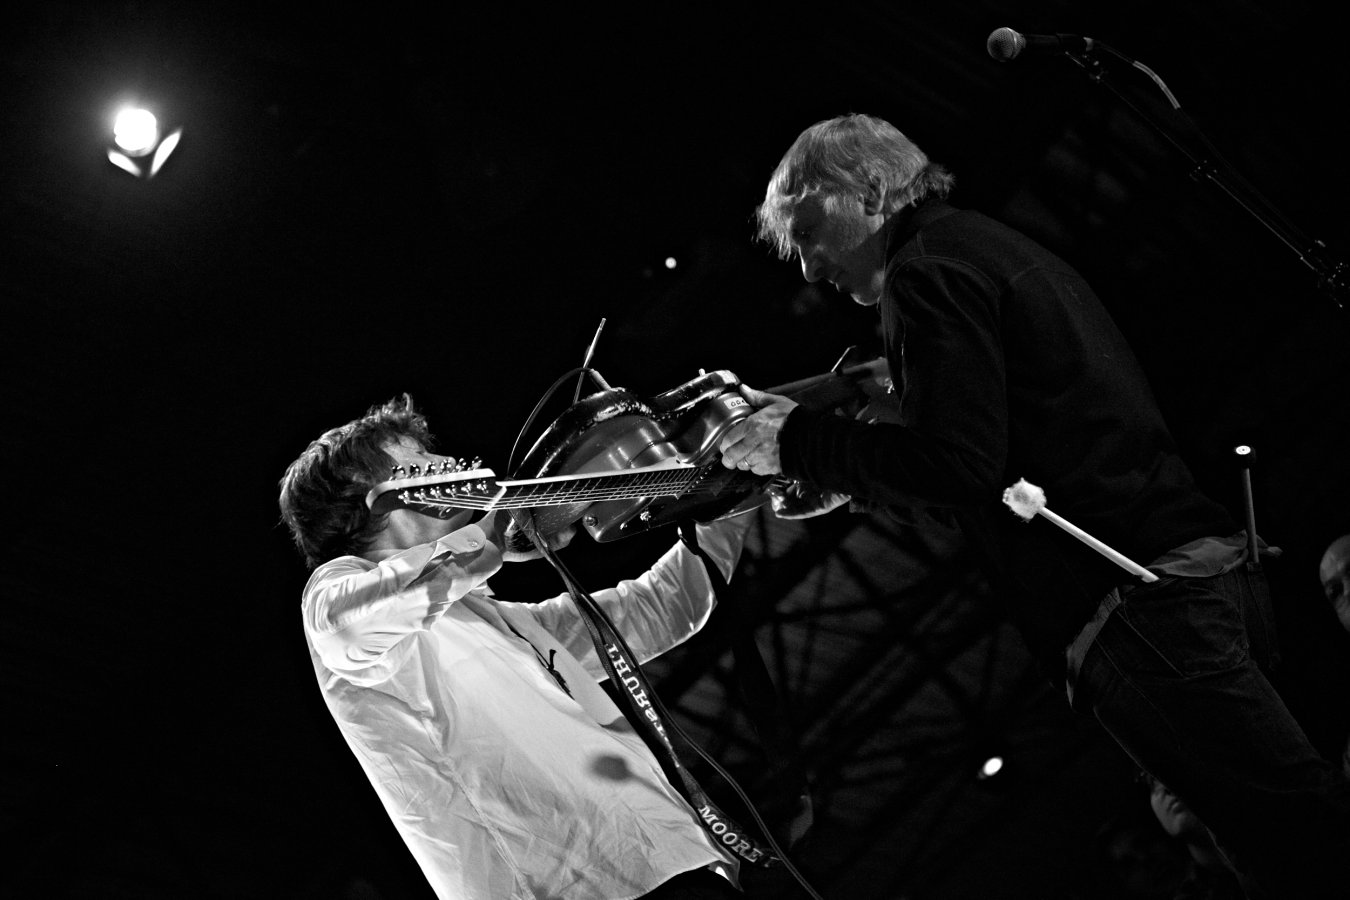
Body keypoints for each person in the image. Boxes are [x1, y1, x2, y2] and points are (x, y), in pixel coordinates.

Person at [716, 112, 1350, 897]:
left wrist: (800, 441)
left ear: (872, 189)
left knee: (1299, 845)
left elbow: (958, 468)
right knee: (1289, 829)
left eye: (810, 233)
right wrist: (862, 463)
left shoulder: (923, 271)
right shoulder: (980, 246)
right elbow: (994, 469)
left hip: (1139, 605)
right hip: (1188, 577)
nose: (811, 271)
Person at [278, 395, 755, 900]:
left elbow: (666, 606)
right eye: (422, 457)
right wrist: (492, 536)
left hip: (669, 861)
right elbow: (352, 628)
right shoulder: (333, 593)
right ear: (370, 487)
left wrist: (729, 500)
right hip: (564, 886)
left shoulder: (499, 622)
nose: (450, 463)